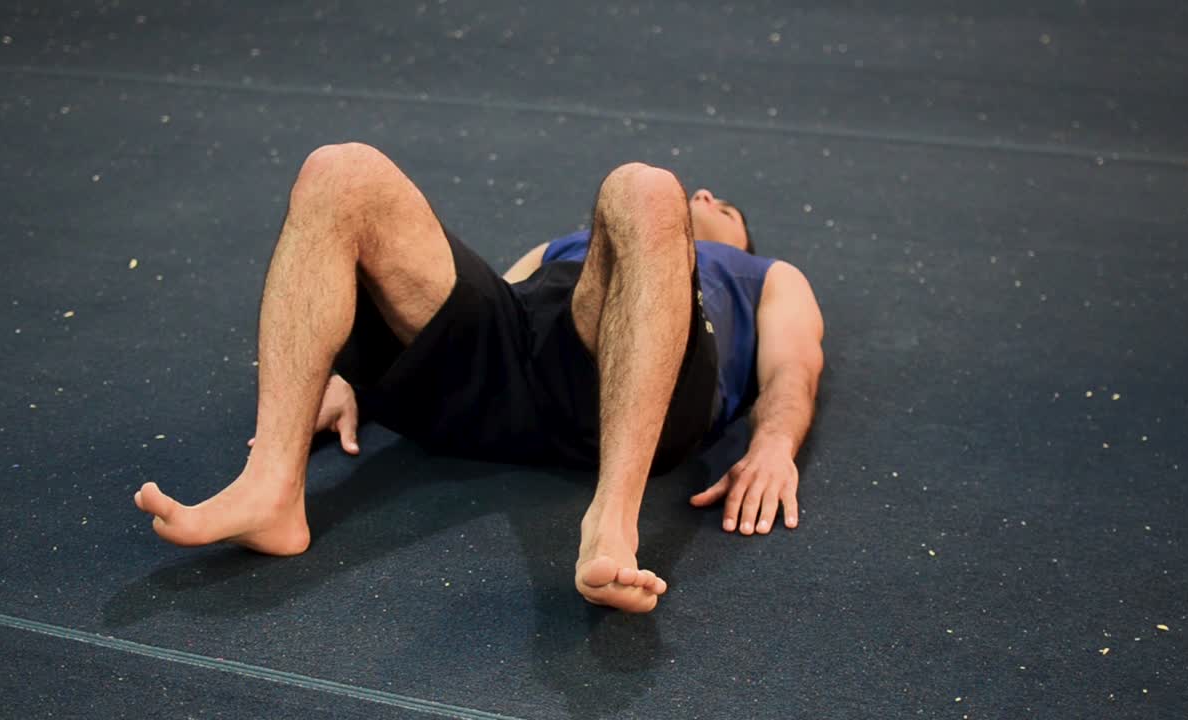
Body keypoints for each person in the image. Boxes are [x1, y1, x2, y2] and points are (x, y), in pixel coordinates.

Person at [133, 143, 824, 614]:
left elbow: (794, 369)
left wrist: (773, 446)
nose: (710, 195)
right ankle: (272, 489)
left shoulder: (764, 276)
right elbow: (487, 299)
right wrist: (337, 371)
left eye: (727, 207)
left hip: (622, 393)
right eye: (707, 198)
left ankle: (612, 525)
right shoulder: (569, 247)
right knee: (340, 169)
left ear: (737, 240)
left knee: (646, 187)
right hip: (505, 364)